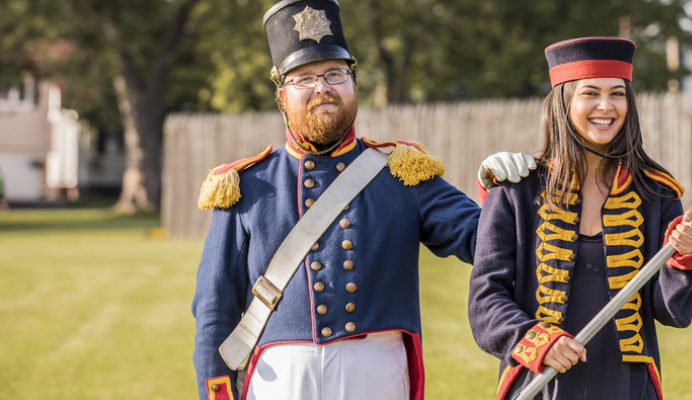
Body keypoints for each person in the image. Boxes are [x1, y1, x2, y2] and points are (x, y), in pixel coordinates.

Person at [190, 1, 526, 399]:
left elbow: (486, 241)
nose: (323, 88)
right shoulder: (244, 184)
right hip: (279, 378)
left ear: (354, 83)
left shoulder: (403, 172)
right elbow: (214, 310)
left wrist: (506, 194)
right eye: (304, 79)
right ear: (281, 96)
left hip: (376, 373)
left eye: (335, 73)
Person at [468, 37, 692, 400]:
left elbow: (672, 312)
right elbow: (485, 300)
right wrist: (537, 341)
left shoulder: (658, 194)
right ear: (564, 103)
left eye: (617, 93)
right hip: (541, 383)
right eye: (590, 93)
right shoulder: (514, 191)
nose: (605, 106)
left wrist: (683, 258)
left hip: (627, 386)